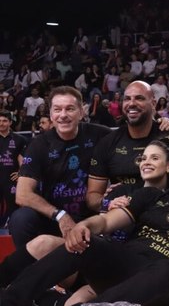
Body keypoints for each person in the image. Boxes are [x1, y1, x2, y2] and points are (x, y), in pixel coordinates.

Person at [0, 149, 169, 306]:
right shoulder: (151, 196)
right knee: (89, 242)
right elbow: (106, 223)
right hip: (126, 269)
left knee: (167, 268)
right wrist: (85, 226)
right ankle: (7, 302)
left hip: (164, 286)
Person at [8, 87, 112, 252]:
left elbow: (135, 136)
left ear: (81, 112)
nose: (63, 115)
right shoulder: (39, 145)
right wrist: (60, 216)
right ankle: (30, 270)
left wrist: (164, 125)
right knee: (21, 218)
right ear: (51, 114)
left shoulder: (101, 134)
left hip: (93, 218)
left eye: (70, 109)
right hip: (53, 219)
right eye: (57, 109)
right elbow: (22, 194)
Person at [85, 81, 169, 213]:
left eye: (139, 98)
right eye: (127, 99)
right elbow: (92, 198)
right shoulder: (107, 143)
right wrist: (107, 202)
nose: (131, 103)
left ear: (153, 103)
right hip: (121, 219)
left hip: (164, 217)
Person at [0, 110, 27, 228]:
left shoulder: (19, 139)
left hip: (11, 179)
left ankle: (12, 231)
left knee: (12, 207)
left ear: (10, 122)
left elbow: (23, 160)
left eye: (5, 121)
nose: (1, 123)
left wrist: (21, 173)